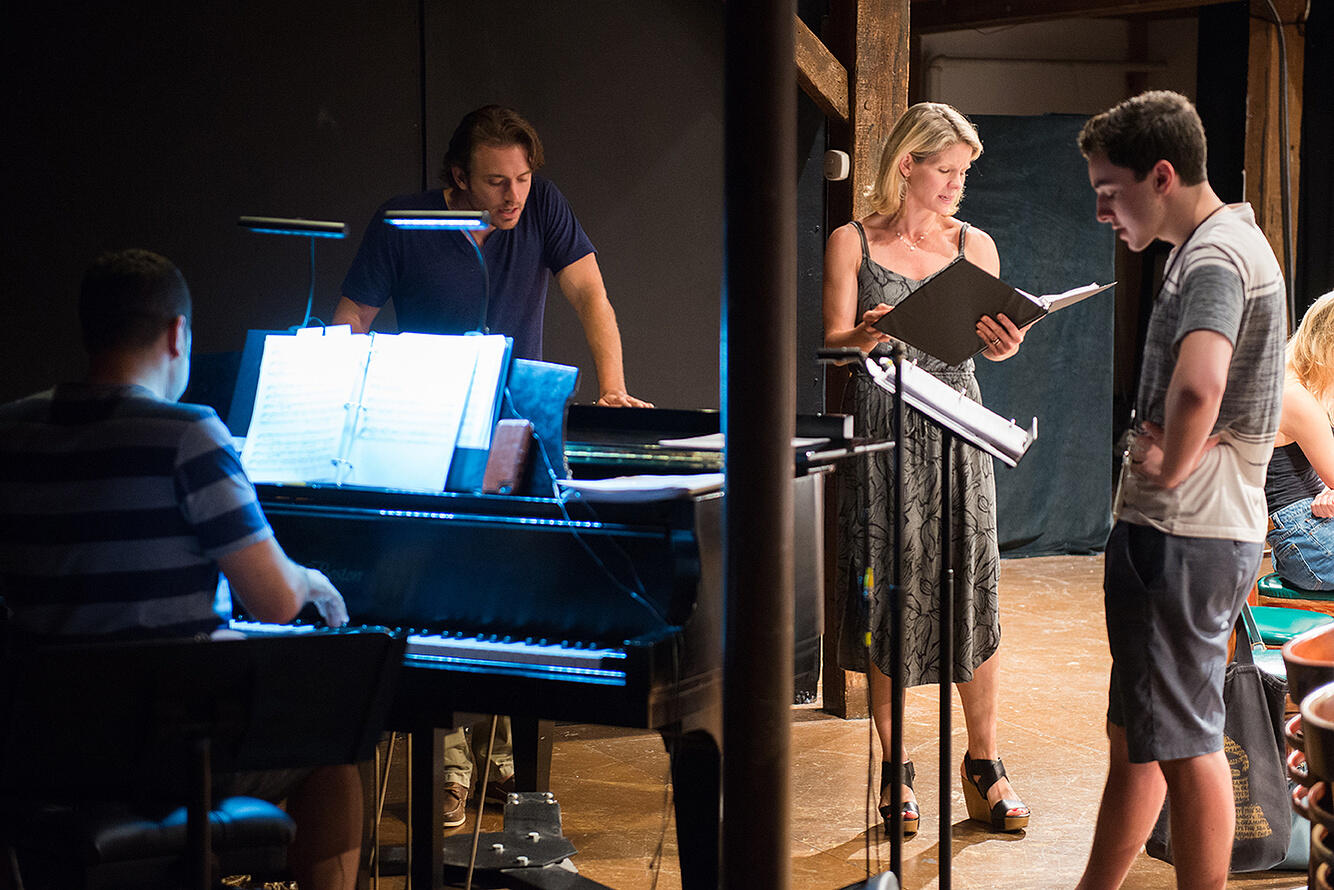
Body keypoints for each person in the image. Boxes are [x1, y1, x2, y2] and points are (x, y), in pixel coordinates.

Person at [0, 249, 363, 890]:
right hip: (160, 750)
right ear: (177, 334)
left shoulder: (13, 429)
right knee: (334, 753)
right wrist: (309, 579)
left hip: (37, 748)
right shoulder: (186, 434)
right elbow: (275, 602)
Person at [1074, 91, 1285, 890]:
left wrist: (1169, 465)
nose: (1103, 212)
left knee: (1189, 745)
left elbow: (1200, 383)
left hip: (1184, 537)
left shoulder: (1214, 257)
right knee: (1141, 739)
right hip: (1187, 534)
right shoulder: (1213, 247)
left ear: (1162, 176)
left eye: (1110, 191)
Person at [822, 101, 1030, 838]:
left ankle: (984, 762)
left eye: (963, 174)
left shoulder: (976, 245)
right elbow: (832, 342)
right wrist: (864, 335)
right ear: (907, 164)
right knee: (890, 584)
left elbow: (989, 342)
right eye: (945, 170)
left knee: (970, 581)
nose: (955, 186)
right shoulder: (852, 241)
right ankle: (895, 767)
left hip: (959, 425)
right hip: (885, 425)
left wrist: (1004, 344)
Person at [333, 103, 650, 408]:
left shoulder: (543, 202)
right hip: (429, 407)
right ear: (461, 177)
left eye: (523, 179)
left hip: (519, 410)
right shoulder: (404, 220)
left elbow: (589, 295)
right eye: (496, 182)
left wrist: (613, 389)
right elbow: (353, 317)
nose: (514, 196)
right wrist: (345, 394)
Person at [1265, 291, 1334, 590]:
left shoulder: (1286, 374)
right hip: (1308, 539)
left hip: (1305, 531)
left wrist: (1328, 489)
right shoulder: (1295, 396)